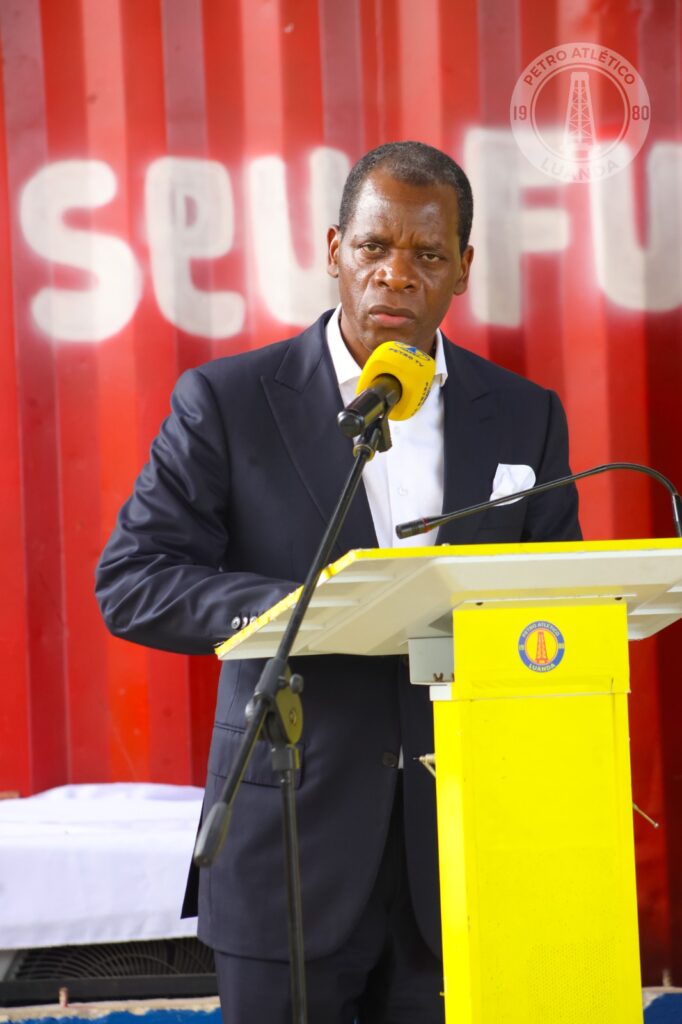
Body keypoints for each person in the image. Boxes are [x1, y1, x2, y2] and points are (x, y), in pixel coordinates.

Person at [96, 141, 581, 1023]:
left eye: (427, 254)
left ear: (463, 268)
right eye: (373, 247)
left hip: (462, 859)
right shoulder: (230, 401)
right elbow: (133, 581)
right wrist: (302, 609)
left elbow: (551, 602)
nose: (396, 274)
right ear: (333, 250)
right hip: (289, 850)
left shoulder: (525, 414)